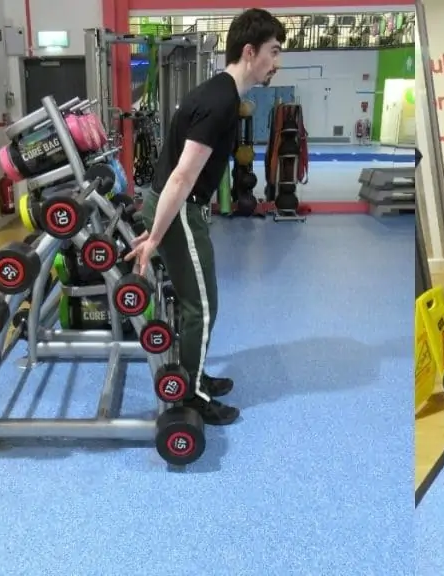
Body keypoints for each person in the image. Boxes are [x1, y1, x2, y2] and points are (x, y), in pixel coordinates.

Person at [125, 9, 286, 426]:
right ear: (250, 52)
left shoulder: (222, 92)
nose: (277, 62)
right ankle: (193, 396)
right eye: (273, 51)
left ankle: (193, 375)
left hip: (177, 207)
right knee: (202, 305)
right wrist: (155, 236)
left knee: (199, 301)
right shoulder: (221, 102)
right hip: (178, 211)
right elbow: (182, 176)